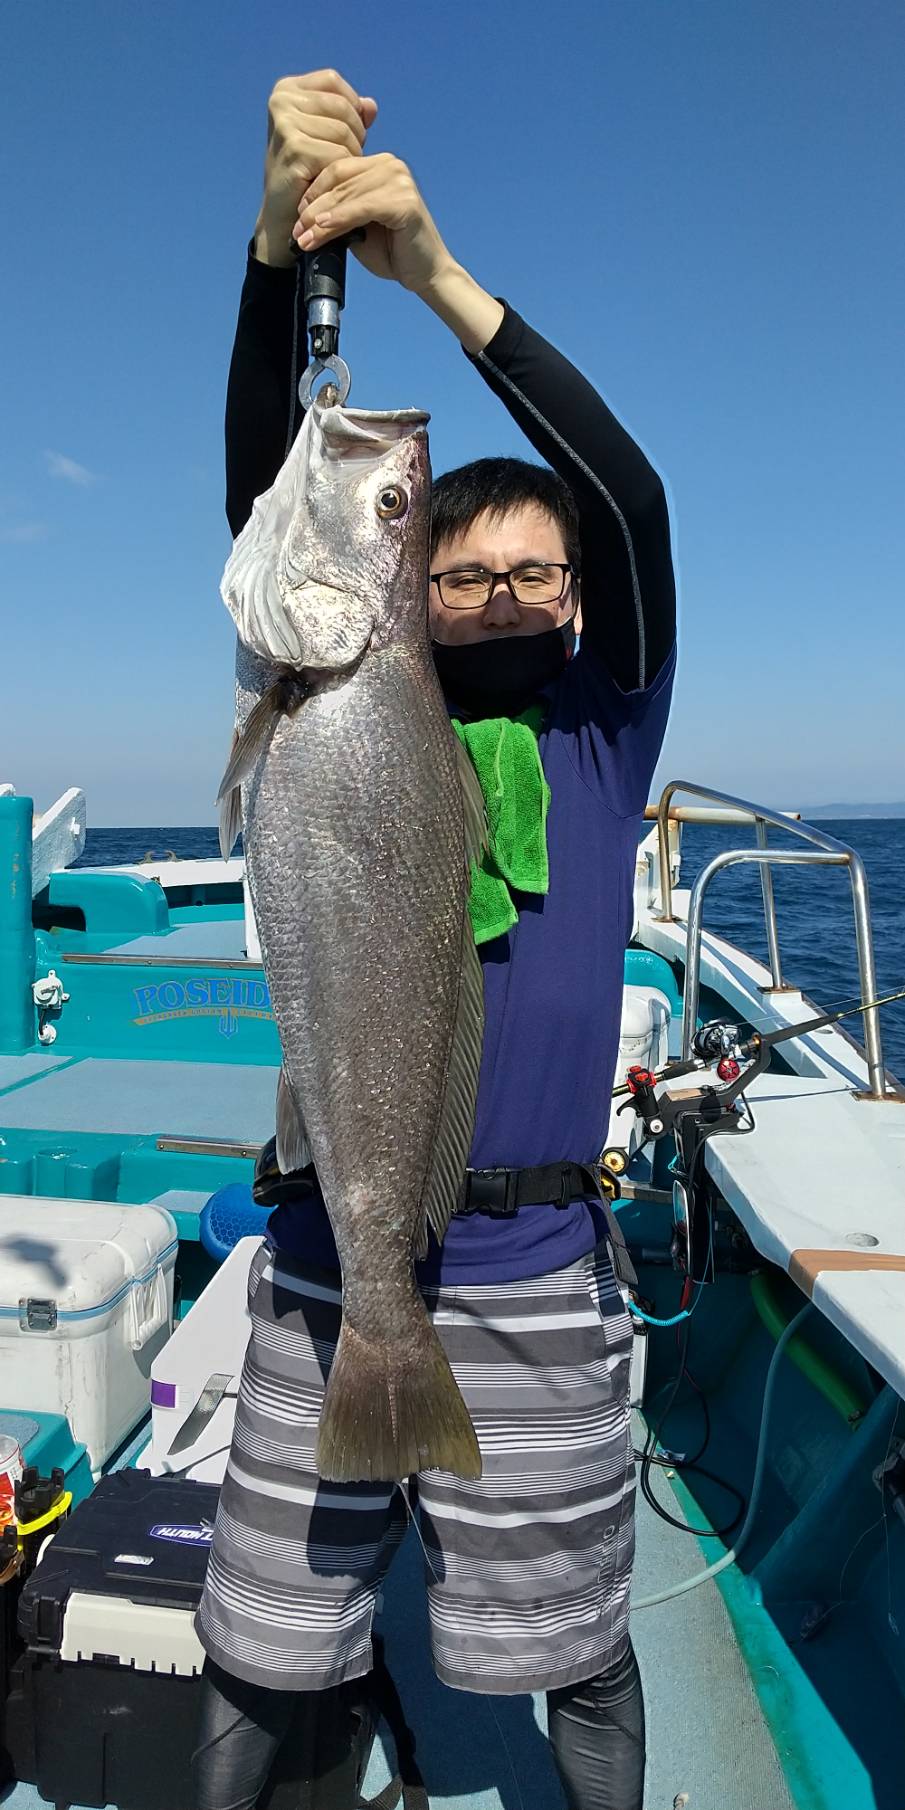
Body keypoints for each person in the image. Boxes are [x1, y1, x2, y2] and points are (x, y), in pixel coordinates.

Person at [194, 68, 676, 1810]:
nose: (495, 597)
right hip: (334, 1260)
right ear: (407, 594)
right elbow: (280, 484)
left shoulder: (599, 729)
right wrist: (275, 255)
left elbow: (624, 499)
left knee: (579, 1638)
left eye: (530, 575)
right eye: (453, 571)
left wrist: (441, 278)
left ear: (575, 598)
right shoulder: (317, 679)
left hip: (535, 1271)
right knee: (261, 1632)